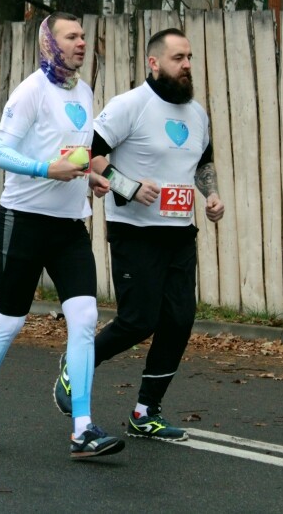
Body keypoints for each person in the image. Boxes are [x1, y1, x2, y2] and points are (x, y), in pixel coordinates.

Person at [0, 12, 124, 460]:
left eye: (84, 36)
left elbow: (73, 152)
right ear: (50, 43)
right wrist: (45, 169)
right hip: (24, 220)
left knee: (86, 318)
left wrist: (88, 174)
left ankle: (83, 428)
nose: (82, 43)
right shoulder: (31, 91)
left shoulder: (85, 93)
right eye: (72, 36)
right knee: (11, 321)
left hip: (70, 225)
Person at [53, 28, 225, 441]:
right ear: (154, 63)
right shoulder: (130, 105)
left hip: (180, 232)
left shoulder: (197, 113)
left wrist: (212, 193)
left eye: (189, 58)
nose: (186, 66)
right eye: (178, 58)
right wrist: (129, 186)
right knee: (138, 320)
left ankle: (146, 411)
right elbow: (87, 156)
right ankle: (76, 366)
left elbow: (203, 163)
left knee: (179, 321)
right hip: (135, 231)